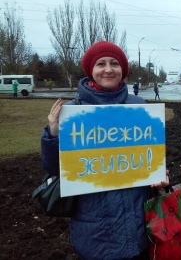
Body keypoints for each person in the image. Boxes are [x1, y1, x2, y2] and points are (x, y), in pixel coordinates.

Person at [40, 41, 168, 260]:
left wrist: (159, 176)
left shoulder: (139, 106)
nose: (108, 69)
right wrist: (53, 133)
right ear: (91, 70)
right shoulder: (72, 111)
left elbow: (150, 155)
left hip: (137, 222)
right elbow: (54, 169)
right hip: (95, 230)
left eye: (115, 63)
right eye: (101, 63)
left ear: (123, 71)